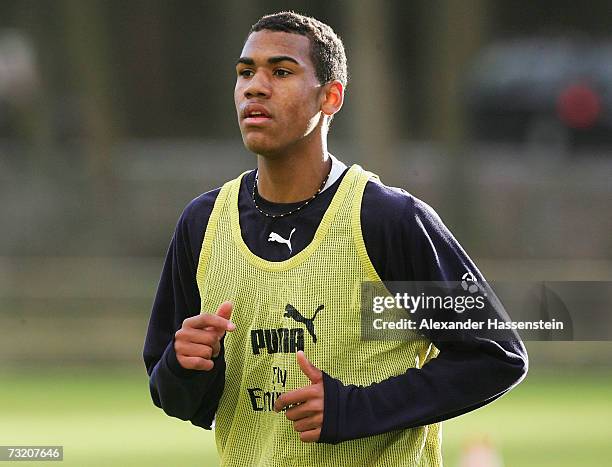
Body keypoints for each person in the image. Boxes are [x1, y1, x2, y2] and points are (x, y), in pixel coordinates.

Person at [143, 11, 528, 467]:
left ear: (331, 96)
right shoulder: (202, 223)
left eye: (281, 72)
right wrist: (184, 368)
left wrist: (353, 408)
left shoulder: (388, 219)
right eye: (246, 72)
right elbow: (180, 399)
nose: (254, 87)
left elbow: (494, 357)